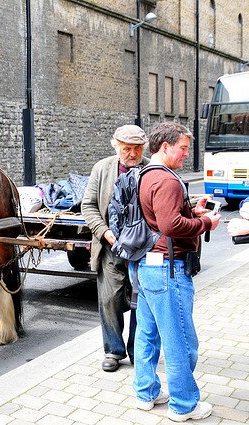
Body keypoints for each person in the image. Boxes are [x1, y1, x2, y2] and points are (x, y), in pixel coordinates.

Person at [131, 121, 220, 422]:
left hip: (148, 266)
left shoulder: (147, 175)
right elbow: (169, 226)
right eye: (182, 149)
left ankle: (147, 393)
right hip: (168, 271)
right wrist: (206, 223)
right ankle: (184, 405)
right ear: (165, 146)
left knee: (147, 334)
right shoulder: (167, 181)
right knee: (181, 340)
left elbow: (159, 218)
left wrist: (191, 209)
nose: (186, 155)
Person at [81, 124, 149, 372]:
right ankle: (114, 350)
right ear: (116, 146)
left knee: (142, 301)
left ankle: (136, 350)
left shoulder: (151, 168)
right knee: (109, 299)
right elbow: (87, 205)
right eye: (126, 148)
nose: (132, 153)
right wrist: (104, 231)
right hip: (111, 245)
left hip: (143, 247)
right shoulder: (102, 168)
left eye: (137, 148)